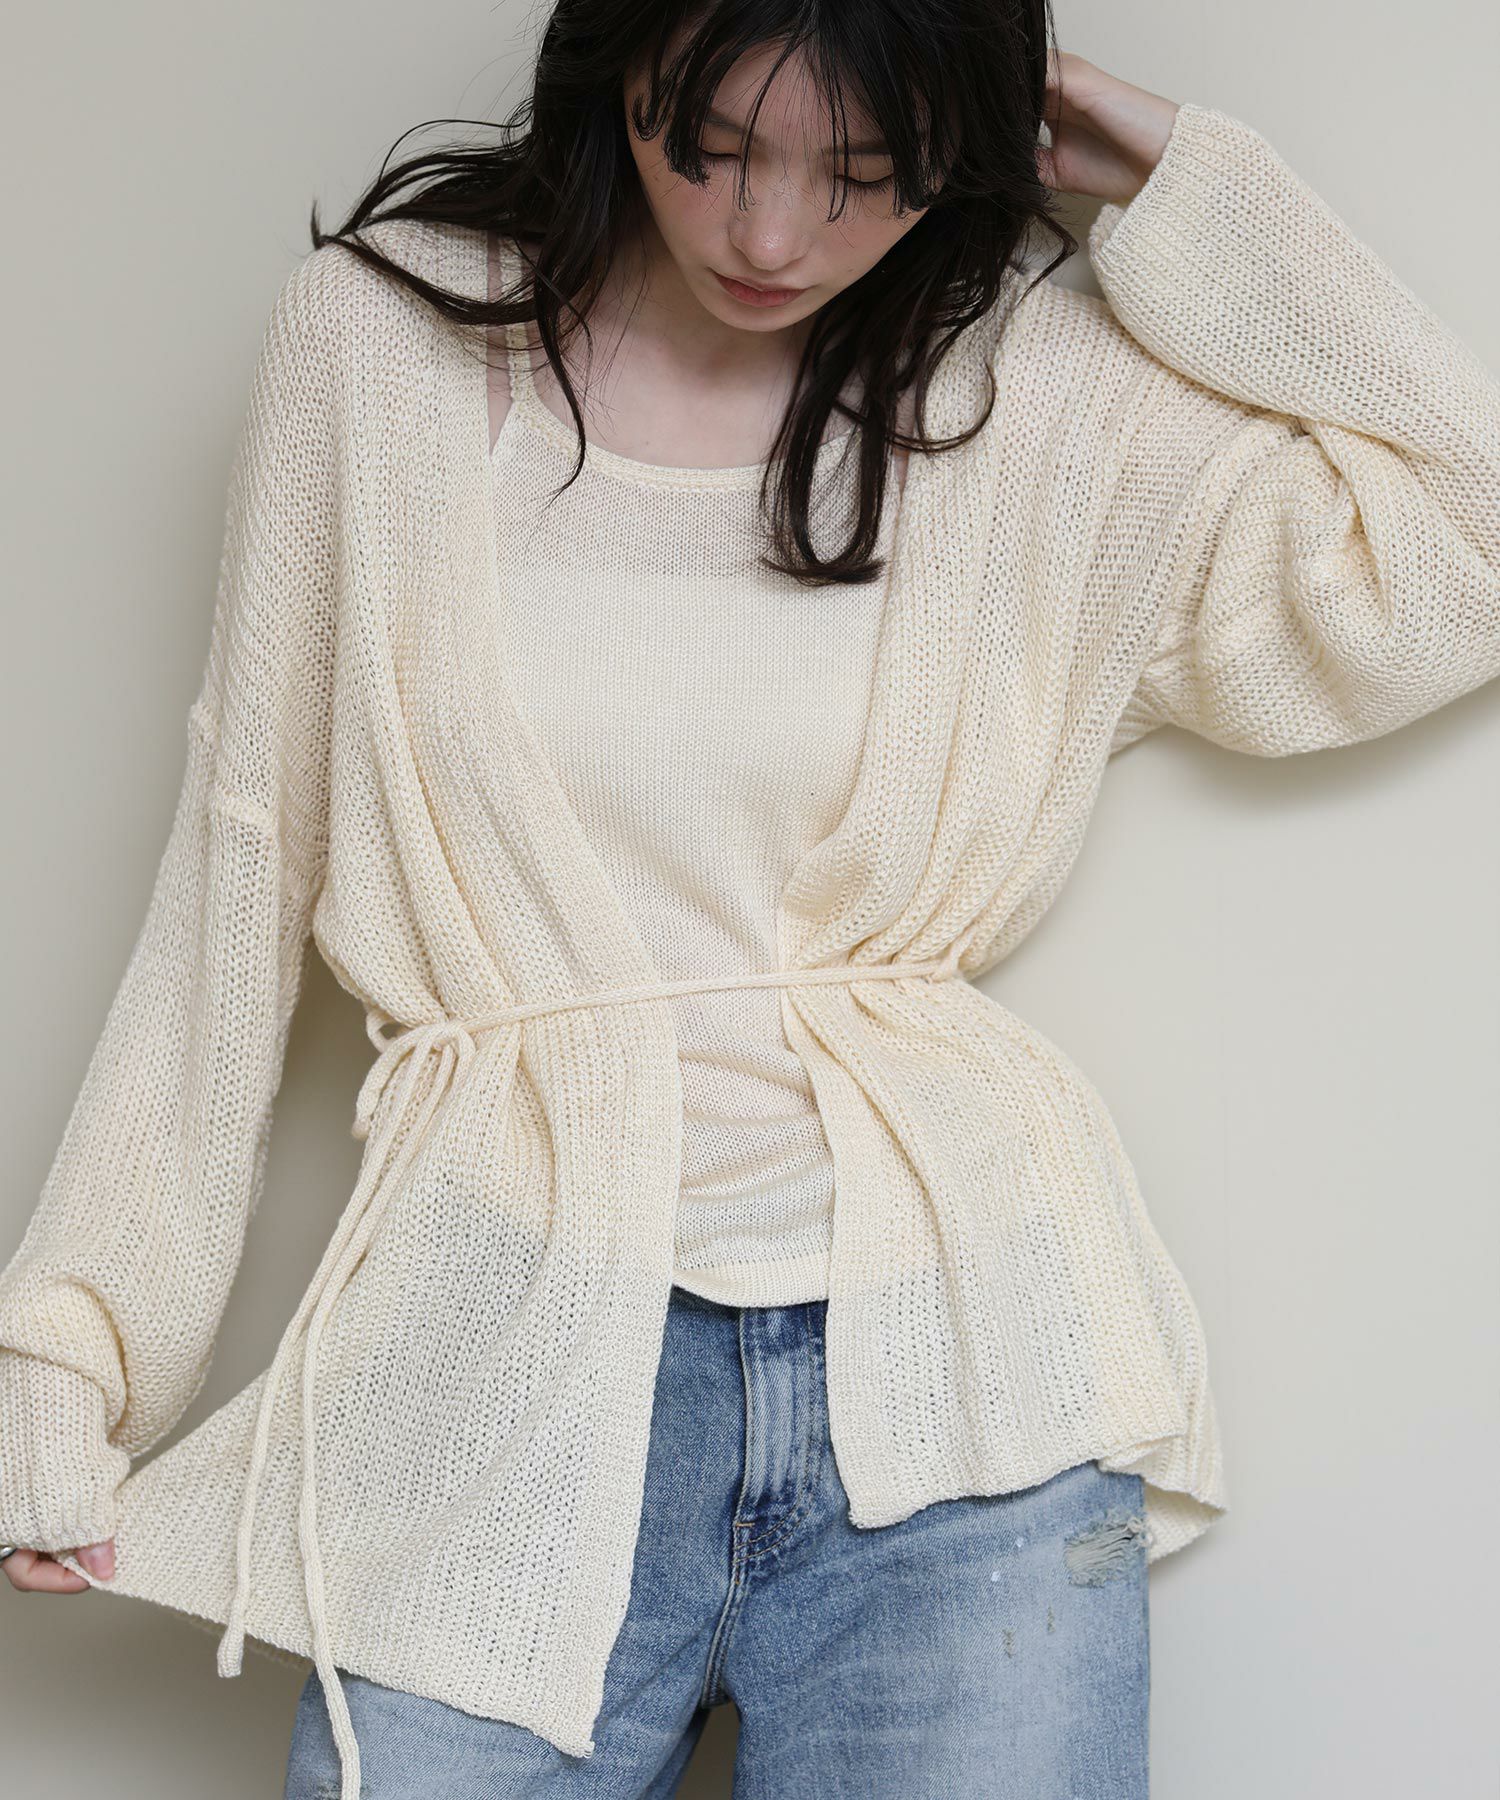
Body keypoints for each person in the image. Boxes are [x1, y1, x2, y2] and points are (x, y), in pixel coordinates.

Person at [3, 3, 1497, 1797]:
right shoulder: (383, 346)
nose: (772, 236)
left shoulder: (1035, 386)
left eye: (866, 172)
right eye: (708, 146)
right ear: (618, 68)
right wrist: (70, 1358)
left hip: (955, 1373)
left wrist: (1180, 184)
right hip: (501, 1346)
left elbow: (1470, 545)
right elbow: (236, 870)